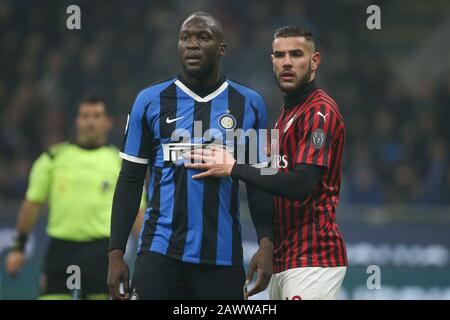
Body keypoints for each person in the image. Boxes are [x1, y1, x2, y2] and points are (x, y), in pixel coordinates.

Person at [107, 12, 274, 300]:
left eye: (203, 37)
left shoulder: (252, 103)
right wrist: (116, 252)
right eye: (185, 38)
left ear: (222, 48)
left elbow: (261, 182)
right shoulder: (148, 101)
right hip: (159, 254)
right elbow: (130, 180)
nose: (192, 45)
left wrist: (267, 243)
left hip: (223, 258)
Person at [185, 25, 348, 300]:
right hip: (286, 257)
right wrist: (267, 244)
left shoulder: (321, 112)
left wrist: (235, 167)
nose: (286, 62)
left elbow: (303, 184)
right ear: (271, 60)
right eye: (279, 54)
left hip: (314, 257)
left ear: (314, 61)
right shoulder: (283, 116)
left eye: (296, 54)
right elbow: (265, 176)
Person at [5, 96, 145, 300]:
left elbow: (137, 212)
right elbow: (31, 205)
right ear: (76, 121)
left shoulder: (120, 163)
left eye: (97, 116)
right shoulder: (52, 158)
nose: (90, 121)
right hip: (60, 251)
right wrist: (18, 248)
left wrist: (146, 254)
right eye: (85, 115)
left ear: (108, 122)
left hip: (101, 253)